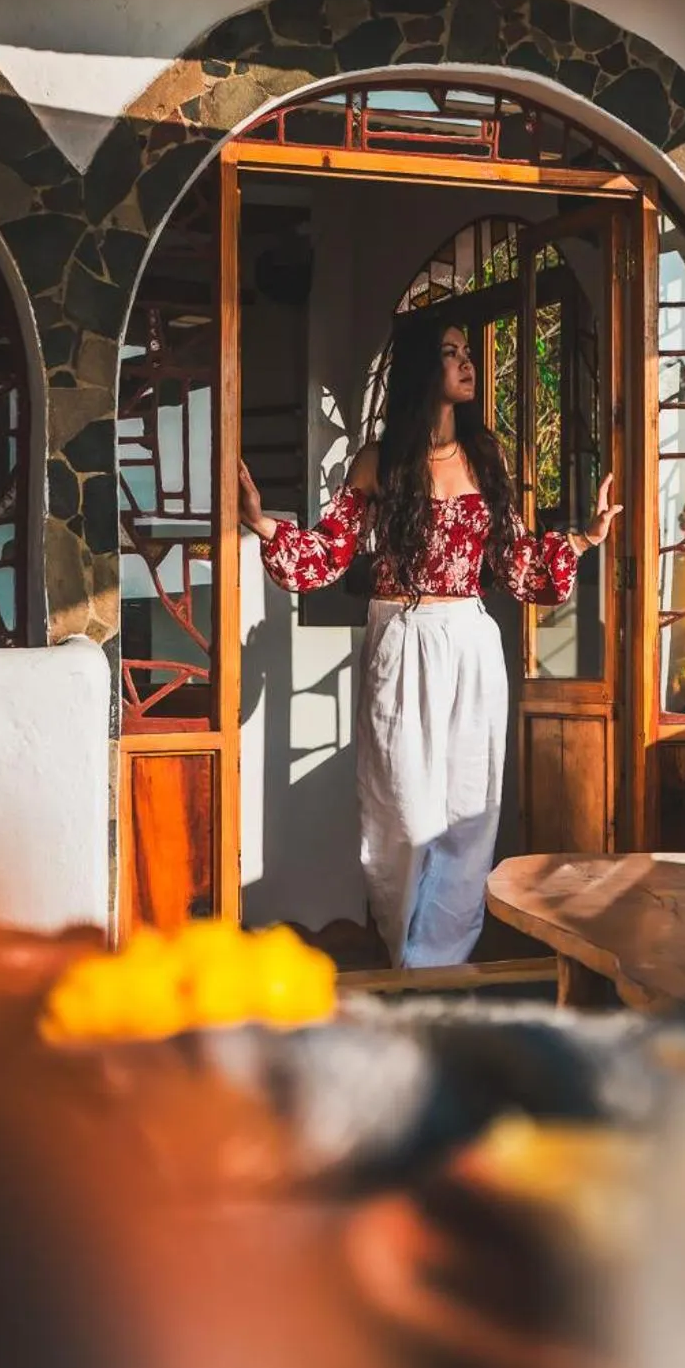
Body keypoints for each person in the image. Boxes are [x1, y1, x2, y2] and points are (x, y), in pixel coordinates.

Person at [240, 312, 621, 970]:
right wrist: (262, 526)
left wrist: (584, 537)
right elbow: (330, 551)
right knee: (404, 817)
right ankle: (405, 955)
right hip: (402, 634)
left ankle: (441, 965)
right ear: (423, 370)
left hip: (470, 637)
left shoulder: (488, 458)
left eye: (467, 350)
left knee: (471, 814)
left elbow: (513, 562)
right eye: (451, 353)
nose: (468, 363)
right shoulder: (378, 463)